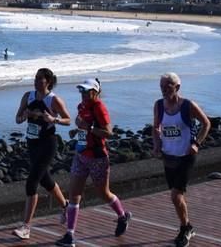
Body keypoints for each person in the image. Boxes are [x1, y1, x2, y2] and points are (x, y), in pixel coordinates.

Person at [55, 78, 131, 247]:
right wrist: (78, 127)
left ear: (95, 92)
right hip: (81, 154)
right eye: (81, 90)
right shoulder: (81, 106)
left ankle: (122, 216)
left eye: (86, 91)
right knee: (74, 195)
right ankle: (70, 236)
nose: (82, 94)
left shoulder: (99, 107)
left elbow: (108, 133)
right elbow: (81, 122)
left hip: (97, 158)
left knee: (103, 193)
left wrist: (88, 128)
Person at [152, 72, 211, 247]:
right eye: (161, 87)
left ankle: (185, 228)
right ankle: (188, 225)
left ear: (177, 87)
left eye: (167, 86)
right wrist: (156, 145)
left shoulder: (188, 105)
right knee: (178, 196)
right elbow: (156, 127)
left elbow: (206, 123)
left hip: (186, 156)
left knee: (175, 196)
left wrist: (196, 143)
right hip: (168, 156)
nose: (163, 90)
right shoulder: (159, 106)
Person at [12, 68, 71, 240]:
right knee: (45, 180)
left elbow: (68, 119)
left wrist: (54, 120)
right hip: (32, 143)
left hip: (48, 143)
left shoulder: (54, 100)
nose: (36, 81)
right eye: (35, 78)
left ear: (49, 82)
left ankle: (26, 227)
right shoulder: (27, 96)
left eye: (40, 79)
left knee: (31, 183)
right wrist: (25, 115)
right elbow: (17, 118)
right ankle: (66, 206)